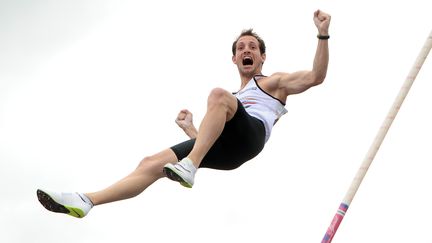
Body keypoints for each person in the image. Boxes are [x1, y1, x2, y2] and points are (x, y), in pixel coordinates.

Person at [37, 9, 331, 218]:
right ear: (233, 58)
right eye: (241, 47)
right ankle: (88, 200)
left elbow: (317, 76)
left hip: (250, 138)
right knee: (150, 163)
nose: (247, 50)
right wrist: (191, 129)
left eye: (253, 47)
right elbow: (210, 141)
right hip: (226, 150)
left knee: (218, 96)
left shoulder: (274, 82)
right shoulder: (231, 100)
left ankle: (189, 167)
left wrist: (322, 35)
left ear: (262, 56)